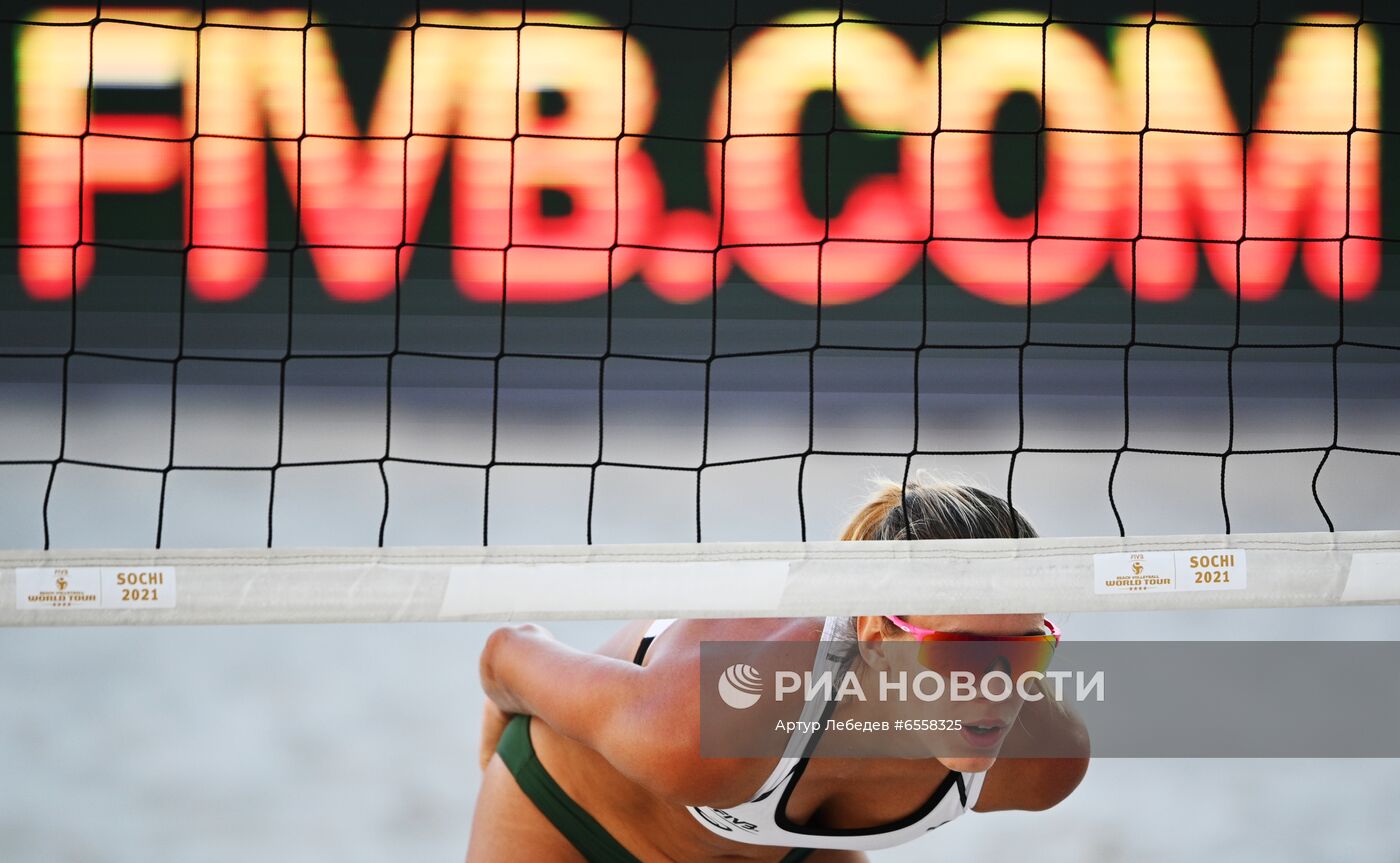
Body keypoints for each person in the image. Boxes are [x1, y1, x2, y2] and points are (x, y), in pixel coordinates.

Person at [468, 477, 1089, 862]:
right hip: (576, 819)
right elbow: (506, 654)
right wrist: (496, 761)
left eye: (1027, 649)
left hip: (782, 848)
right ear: (875, 637)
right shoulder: (701, 722)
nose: (997, 686)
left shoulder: (1043, 762)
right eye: (957, 655)